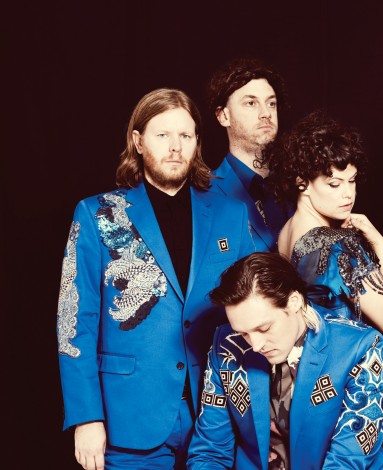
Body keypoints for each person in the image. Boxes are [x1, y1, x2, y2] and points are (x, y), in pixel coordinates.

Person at [56, 88, 257, 469]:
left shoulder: (231, 214)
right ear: (138, 141)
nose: (175, 147)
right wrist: (86, 417)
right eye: (162, 135)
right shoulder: (97, 214)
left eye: (185, 135)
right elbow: (74, 321)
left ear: (197, 142)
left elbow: (256, 306)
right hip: (129, 416)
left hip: (217, 417)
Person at [271, 111, 383, 469]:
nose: (348, 194)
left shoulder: (287, 232)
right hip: (368, 377)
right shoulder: (336, 245)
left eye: (352, 181)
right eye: (333, 184)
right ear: (302, 182)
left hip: (323, 379)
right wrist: (380, 245)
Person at [187, 252, 383, 469]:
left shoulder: (360, 346)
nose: (255, 345)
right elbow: (209, 452)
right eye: (243, 333)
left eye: (264, 328)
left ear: (294, 302)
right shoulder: (227, 345)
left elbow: (348, 461)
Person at [207, 57, 292, 251]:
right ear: (224, 116)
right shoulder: (204, 195)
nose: (266, 113)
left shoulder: (300, 183)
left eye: (271, 103)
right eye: (251, 103)